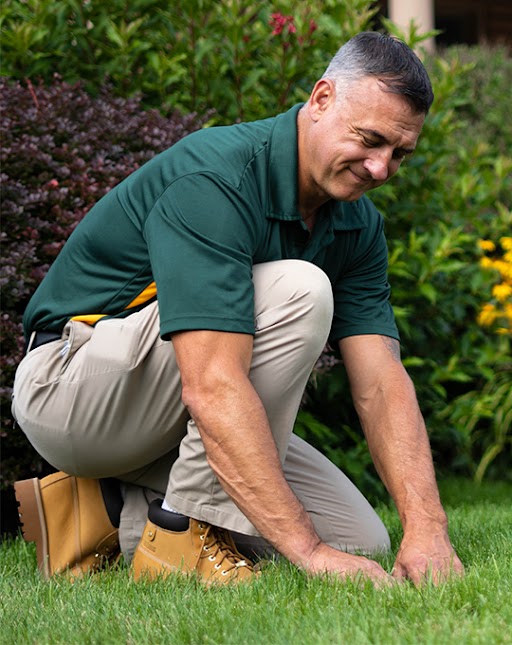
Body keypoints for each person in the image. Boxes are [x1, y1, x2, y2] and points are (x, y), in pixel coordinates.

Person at [11, 31, 463, 586]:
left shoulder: (357, 225)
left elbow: (381, 383)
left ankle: (97, 512)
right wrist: (310, 553)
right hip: (70, 389)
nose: (380, 168)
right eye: (369, 140)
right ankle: (183, 531)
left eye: (400, 153)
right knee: (300, 290)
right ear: (321, 99)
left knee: (358, 537)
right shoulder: (218, 180)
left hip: (159, 413)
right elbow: (212, 384)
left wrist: (427, 528)